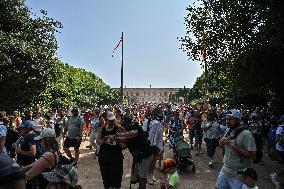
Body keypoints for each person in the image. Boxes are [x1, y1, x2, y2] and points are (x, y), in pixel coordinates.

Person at [216, 109, 256, 189]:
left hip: (239, 175)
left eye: (231, 119)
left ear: (238, 120)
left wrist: (234, 147)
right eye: (227, 119)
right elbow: (223, 147)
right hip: (225, 170)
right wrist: (220, 143)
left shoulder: (247, 134)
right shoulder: (228, 130)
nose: (228, 121)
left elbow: (253, 156)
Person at [116, 115, 153, 189]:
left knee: (142, 177)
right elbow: (124, 145)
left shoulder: (136, 126)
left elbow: (133, 134)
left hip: (145, 155)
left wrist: (120, 135)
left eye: (126, 124)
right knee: (139, 175)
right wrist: (116, 139)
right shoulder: (127, 135)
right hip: (138, 157)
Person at [96, 111, 124, 189]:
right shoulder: (102, 129)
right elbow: (97, 141)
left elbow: (126, 140)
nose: (111, 122)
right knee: (106, 175)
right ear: (107, 120)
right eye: (110, 120)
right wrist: (103, 140)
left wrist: (119, 140)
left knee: (117, 174)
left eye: (112, 120)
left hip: (116, 156)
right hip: (105, 156)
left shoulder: (118, 128)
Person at [148, 108, 164, 185]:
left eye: (157, 114)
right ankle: (148, 175)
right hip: (149, 144)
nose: (155, 116)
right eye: (154, 114)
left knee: (154, 160)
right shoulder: (147, 121)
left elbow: (160, 135)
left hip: (156, 145)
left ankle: (151, 174)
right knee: (150, 160)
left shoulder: (158, 123)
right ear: (151, 114)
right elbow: (145, 132)